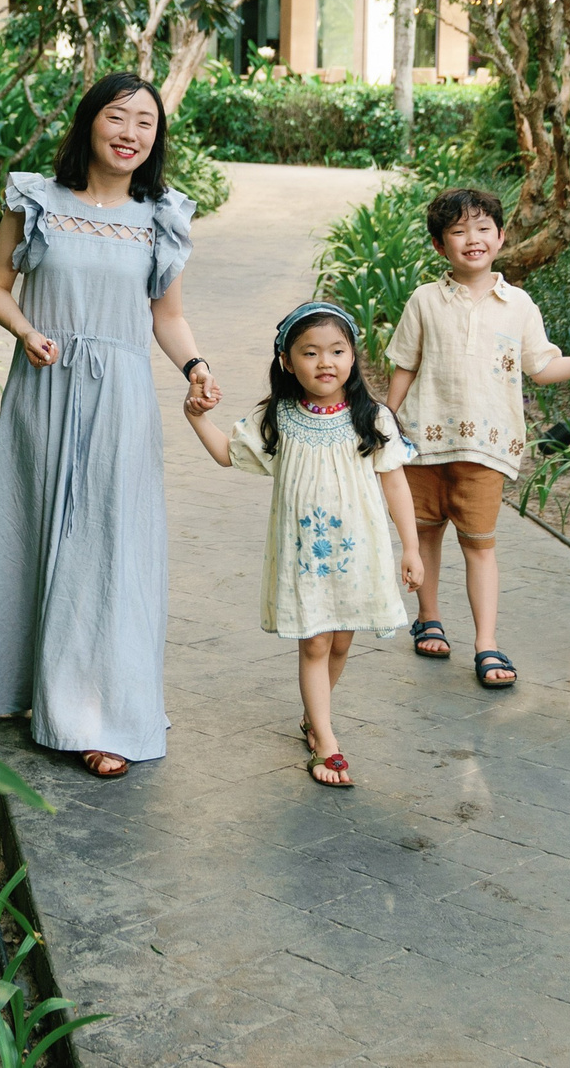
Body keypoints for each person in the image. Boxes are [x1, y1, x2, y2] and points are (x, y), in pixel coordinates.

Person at [0, 73, 216, 779]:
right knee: (35, 528)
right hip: (44, 385)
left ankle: (99, 711)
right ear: (89, 123)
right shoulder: (36, 201)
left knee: (109, 549)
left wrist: (196, 364)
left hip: (121, 399)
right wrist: (24, 329)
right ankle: (25, 687)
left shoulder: (160, 216)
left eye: (146, 122)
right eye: (118, 116)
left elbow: (166, 316)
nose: (131, 132)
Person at [184, 302, 422, 788]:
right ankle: (327, 741)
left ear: (353, 357)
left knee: (341, 640)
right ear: (287, 362)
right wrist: (195, 419)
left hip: (360, 554)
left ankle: (317, 717)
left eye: (337, 351)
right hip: (304, 556)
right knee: (315, 641)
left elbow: (396, 484)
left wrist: (411, 549)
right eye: (310, 353)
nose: (325, 362)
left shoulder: (372, 417)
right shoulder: (280, 417)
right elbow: (229, 455)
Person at [384, 187, 570, 690]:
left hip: (487, 448)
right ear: (441, 247)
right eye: (459, 231)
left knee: (480, 544)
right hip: (423, 442)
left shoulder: (519, 304)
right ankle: (429, 617)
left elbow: (542, 366)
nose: (473, 239)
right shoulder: (425, 300)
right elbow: (405, 364)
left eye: (483, 228)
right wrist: (385, 422)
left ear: (502, 237)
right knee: (424, 535)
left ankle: (486, 642)